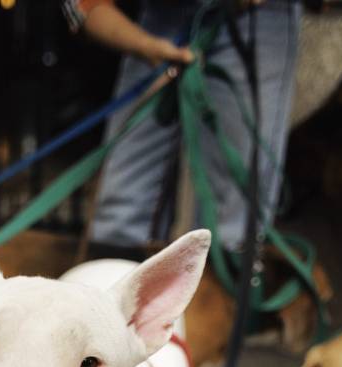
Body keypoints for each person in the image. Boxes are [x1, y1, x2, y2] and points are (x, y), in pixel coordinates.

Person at [63, 0, 301, 257]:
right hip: (160, 16)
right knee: (120, 208)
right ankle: (111, 277)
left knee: (232, 220)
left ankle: (225, 277)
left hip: (255, 16)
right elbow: (82, 7)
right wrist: (144, 46)